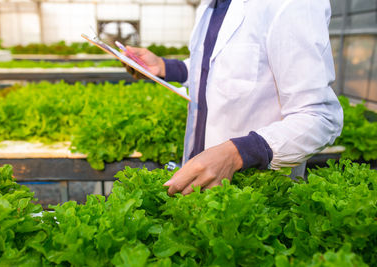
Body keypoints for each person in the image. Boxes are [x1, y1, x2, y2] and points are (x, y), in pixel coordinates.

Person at [123, 0, 343, 196]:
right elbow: (216, 68)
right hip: (201, 182)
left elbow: (319, 117)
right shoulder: (209, 6)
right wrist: (165, 67)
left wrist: (238, 153)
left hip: (255, 197)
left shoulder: (291, 5)